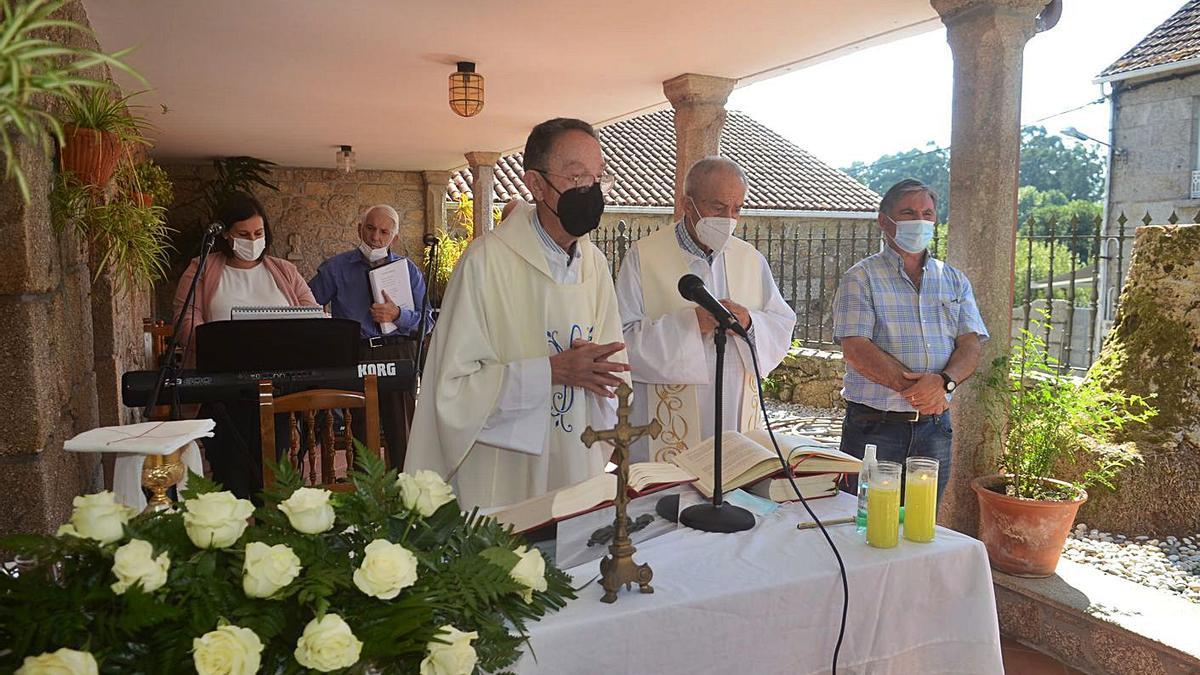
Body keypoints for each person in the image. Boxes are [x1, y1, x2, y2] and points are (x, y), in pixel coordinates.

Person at [406, 118, 629, 510]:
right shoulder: (487, 262)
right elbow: (451, 388)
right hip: (505, 473)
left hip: (575, 461)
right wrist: (552, 372)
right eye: (577, 177)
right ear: (537, 184)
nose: (590, 191)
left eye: (597, 179)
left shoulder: (595, 265)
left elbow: (614, 374)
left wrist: (598, 375)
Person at [615, 157, 796, 463]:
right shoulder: (643, 257)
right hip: (667, 431)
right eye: (717, 207)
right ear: (687, 204)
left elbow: (781, 325)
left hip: (734, 419)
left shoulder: (750, 259)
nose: (729, 218)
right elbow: (621, 340)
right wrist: (689, 325)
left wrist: (750, 322)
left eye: (737, 208)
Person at [831, 179, 988, 501]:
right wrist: (921, 392)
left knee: (921, 526)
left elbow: (970, 343)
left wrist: (944, 383)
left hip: (935, 429)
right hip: (875, 429)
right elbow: (856, 349)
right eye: (907, 212)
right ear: (884, 220)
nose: (919, 220)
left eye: (927, 213)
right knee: (864, 523)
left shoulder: (954, 280)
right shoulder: (860, 278)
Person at [172, 192, 319, 499]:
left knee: (273, 475)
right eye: (243, 234)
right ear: (225, 234)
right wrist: (225, 346)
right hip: (224, 394)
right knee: (232, 476)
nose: (252, 240)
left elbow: (311, 314)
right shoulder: (202, 269)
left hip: (277, 393)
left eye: (258, 233)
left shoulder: (284, 271)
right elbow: (186, 322)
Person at [308, 204, 432, 469]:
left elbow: (428, 320)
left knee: (403, 431)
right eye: (370, 228)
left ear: (394, 238)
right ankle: (365, 498)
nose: (375, 237)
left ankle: (405, 494)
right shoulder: (335, 268)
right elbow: (305, 307)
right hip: (357, 353)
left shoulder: (407, 270)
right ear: (359, 229)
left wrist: (398, 314)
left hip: (399, 352)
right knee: (361, 434)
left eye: (384, 232)